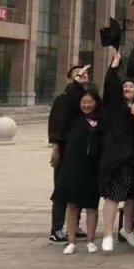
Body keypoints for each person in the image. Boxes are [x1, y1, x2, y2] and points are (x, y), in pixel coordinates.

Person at [97, 51, 134, 252]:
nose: (127, 88)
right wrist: (114, 67)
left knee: (133, 196)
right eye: (125, 86)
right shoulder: (115, 105)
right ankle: (108, 233)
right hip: (118, 157)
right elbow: (110, 86)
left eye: (131, 86)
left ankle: (128, 229)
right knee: (114, 195)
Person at [52, 86, 103, 255]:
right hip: (73, 167)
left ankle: (90, 241)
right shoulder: (73, 118)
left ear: (96, 103)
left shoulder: (101, 120)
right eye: (83, 102)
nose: (86, 105)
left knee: (92, 206)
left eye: (90, 102)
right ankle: (71, 241)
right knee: (72, 205)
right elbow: (66, 101)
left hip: (93, 168)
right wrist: (76, 82)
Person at [48, 63, 90, 242]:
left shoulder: (89, 99)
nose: (83, 75)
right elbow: (56, 124)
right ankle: (57, 228)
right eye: (78, 74)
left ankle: (75, 224)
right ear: (70, 80)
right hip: (66, 150)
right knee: (62, 189)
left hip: (83, 151)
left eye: (85, 73)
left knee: (79, 187)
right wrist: (55, 147)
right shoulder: (64, 99)